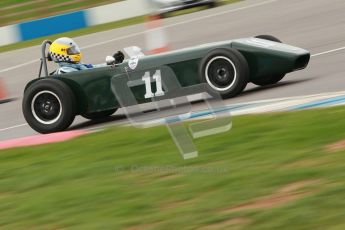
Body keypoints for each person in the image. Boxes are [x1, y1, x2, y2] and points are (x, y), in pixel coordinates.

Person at [49, 37, 124, 75]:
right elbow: (89, 74)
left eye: (74, 49)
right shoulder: (64, 71)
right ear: (61, 54)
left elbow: (93, 68)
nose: (74, 52)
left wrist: (110, 64)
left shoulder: (77, 65)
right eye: (71, 50)